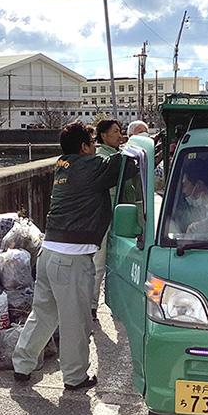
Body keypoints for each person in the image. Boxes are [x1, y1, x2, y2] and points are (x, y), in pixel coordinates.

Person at [13, 120, 125, 391]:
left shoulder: (63, 164)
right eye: (93, 143)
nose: (97, 148)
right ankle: (75, 377)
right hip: (71, 260)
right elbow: (125, 165)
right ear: (84, 148)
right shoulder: (88, 167)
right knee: (76, 320)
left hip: (49, 252)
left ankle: (22, 364)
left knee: (43, 314)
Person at [89, 119, 125, 321]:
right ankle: (92, 305)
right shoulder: (103, 158)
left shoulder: (116, 155)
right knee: (99, 263)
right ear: (103, 135)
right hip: (104, 218)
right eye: (116, 132)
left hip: (117, 217)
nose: (120, 136)